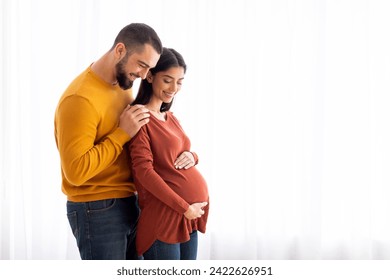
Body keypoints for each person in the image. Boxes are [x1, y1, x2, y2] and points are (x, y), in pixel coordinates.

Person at [54, 23, 162, 260]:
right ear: (120, 50)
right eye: (142, 65)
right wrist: (122, 133)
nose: (144, 75)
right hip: (97, 208)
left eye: (149, 68)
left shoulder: (123, 85)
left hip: (129, 202)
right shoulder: (79, 99)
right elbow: (76, 171)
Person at [129, 47, 209, 260]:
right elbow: (144, 173)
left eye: (180, 81)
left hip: (187, 218)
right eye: (167, 80)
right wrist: (184, 207)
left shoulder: (169, 117)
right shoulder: (139, 118)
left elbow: (178, 153)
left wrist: (194, 156)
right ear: (150, 76)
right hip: (165, 219)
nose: (174, 87)